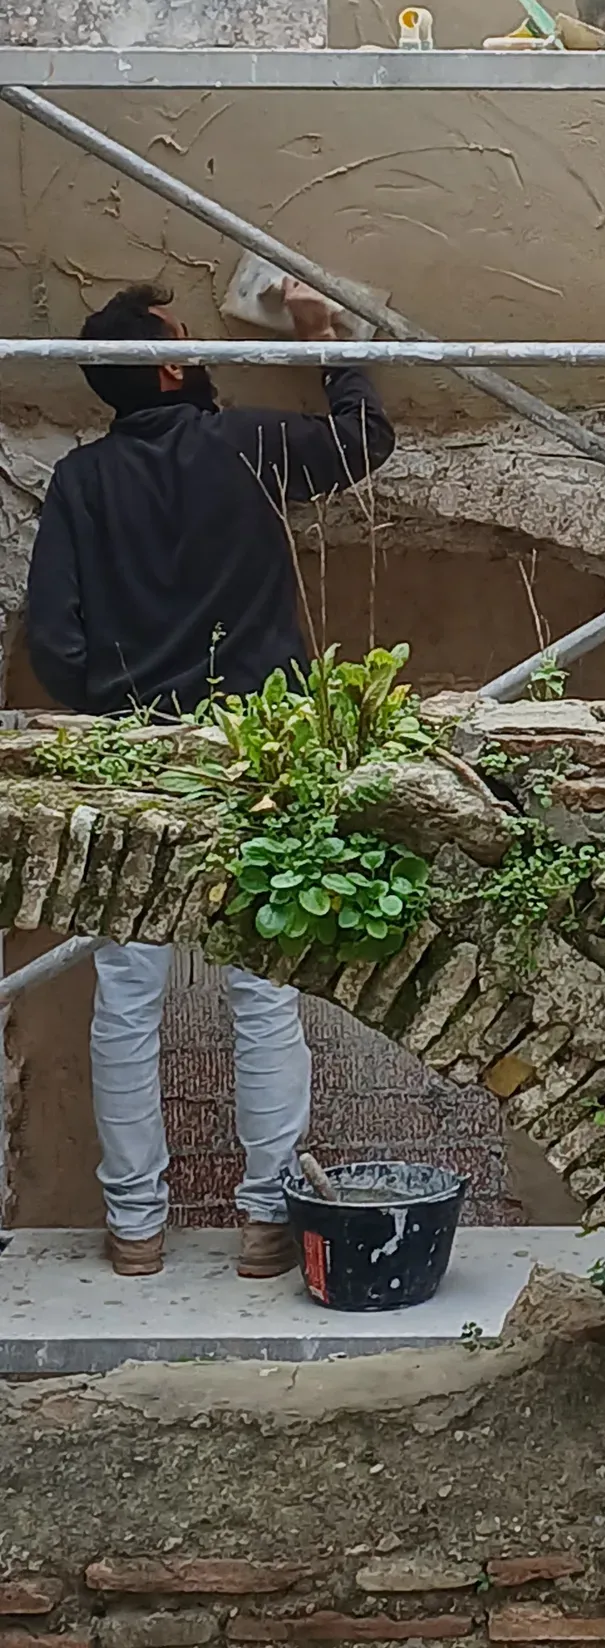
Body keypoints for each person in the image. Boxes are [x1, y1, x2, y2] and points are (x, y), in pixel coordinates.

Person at [23, 278, 395, 1280]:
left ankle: (137, 1230)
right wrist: (328, 342)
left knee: (127, 993)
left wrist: (111, 707)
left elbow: (52, 637)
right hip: (256, 753)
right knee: (265, 995)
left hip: (135, 753)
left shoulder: (81, 482)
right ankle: (268, 1223)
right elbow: (364, 439)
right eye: (185, 336)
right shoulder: (246, 447)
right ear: (176, 366)